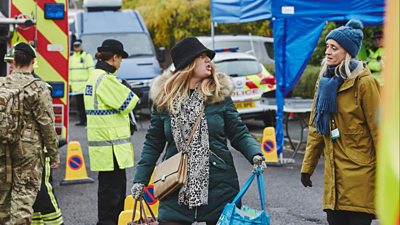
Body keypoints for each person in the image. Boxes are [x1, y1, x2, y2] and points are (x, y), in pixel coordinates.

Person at [131, 37, 265, 225]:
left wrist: (255, 154)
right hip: (174, 185)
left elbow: (239, 132)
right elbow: (153, 143)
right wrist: (140, 180)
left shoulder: (219, 97)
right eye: (202, 57)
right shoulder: (165, 101)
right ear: (188, 63)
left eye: (209, 57)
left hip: (219, 185)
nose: (208, 60)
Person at [300, 19, 380, 225]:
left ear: (347, 53)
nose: (328, 52)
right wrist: (307, 167)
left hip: (362, 175)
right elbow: (316, 128)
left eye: (334, 48)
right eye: (327, 46)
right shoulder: (323, 81)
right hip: (333, 180)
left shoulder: (365, 83)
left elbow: (379, 130)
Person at [2, 45, 64, 225]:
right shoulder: (38, 87)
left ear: (13, 62)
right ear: (33, 62)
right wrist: (53, 153)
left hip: (2, 148)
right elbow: (46, 124)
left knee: (4, 200)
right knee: (23, 197)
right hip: (27, 152)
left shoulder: (2, 83)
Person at [84, 39, 139, 225]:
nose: (121, 63)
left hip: (105, 148)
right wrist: (128, 88)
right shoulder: (105, 80)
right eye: (120, 58)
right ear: (114, 58)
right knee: (113, 199)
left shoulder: (94, 76)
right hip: (112, 148)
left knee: (108, 194)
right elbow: (130, 101)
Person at [69, 39, 94, 126]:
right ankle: (82, 121)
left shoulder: (87, 56)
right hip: (76, 87)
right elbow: (70, 72)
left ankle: (89, 121)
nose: (77, 48)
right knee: (79, 106)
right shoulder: (71, 58)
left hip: (85, 86)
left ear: (81, 46)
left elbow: (91, 70)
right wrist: (70, 85)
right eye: (75, 46)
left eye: (78, 46)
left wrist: (91, 83)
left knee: (87, 105)